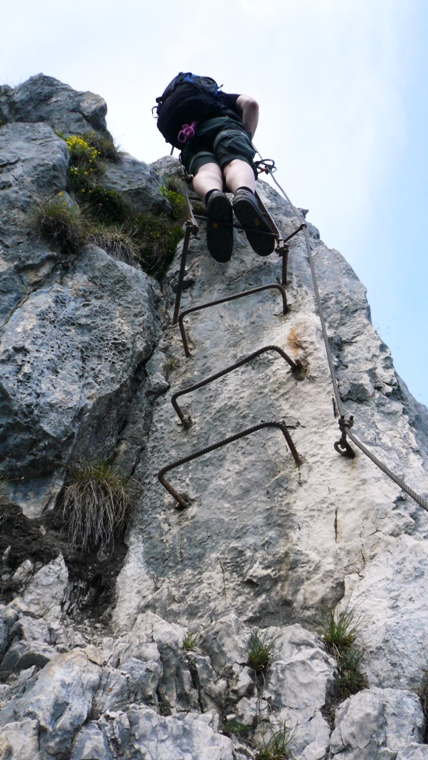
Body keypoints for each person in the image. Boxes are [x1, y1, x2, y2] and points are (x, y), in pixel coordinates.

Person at [178, 89, 275, 263]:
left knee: (206, 171)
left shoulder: (182, 108)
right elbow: (251, 105)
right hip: (227, 129)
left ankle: (213, 195)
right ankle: (243, 193)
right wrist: (246, 135)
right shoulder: (219, 97)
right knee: (235, 163)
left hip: (194, 141)